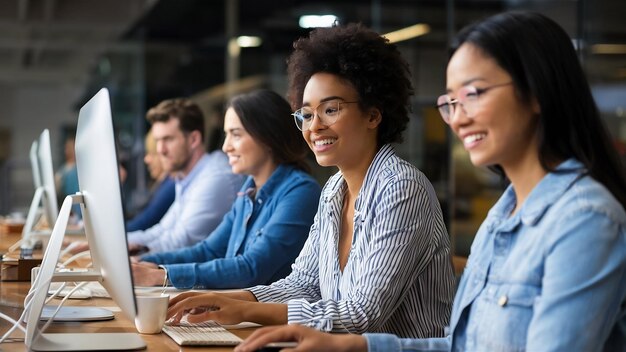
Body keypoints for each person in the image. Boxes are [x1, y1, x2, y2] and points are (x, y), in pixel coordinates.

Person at [233, 11, 626, 352]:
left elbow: (361, 313)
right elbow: (461, 345)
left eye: (473, 93)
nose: (457, 117)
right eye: (451, 101)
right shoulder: (503, 215)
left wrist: (250, 307)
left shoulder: (585, 219)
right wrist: (350, 345)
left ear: (537, 91)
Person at [166, 23, 456, 339]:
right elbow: (305, 283)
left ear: (373, 115)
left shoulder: (401, 189)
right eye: (306, 114)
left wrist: (247, 310)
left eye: (330, 109)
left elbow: (361, 316)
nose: (314, 126)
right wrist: (229, 300)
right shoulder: (334, 190)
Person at [131, 90, 320, 288]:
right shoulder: (249, 190)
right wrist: (147, 264)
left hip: (267, 317)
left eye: (235, 135)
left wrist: (162, 275)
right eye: (226, 135)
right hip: (235, 311)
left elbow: (251, 268)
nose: (225, 147)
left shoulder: (301, 193)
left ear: (268, 137)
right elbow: (208, 251)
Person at [124, 98, 245, 254]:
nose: (160, 150)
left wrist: (131, 254)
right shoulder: (188, 177)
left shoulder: (216, 176)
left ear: (194, 139)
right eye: (157, 141)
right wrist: (113, 244)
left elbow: (181, 241)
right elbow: (161, 230)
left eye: (168, 139)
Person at [125, 130, 175, 232]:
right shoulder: (163, 184)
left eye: (152, 154)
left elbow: (144, 223)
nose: (146, 159)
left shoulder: (171, 184)